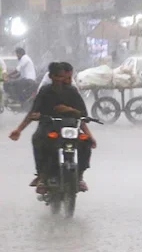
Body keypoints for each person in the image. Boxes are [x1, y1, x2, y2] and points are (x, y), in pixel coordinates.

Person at [8, 62, 95, 193]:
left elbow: (82, 116)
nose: (65, 80)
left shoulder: (72, 91)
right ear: (52, 76)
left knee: (85, 142)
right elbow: (33, 112)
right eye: (61, 77)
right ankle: (42, 176)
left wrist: (89, 134)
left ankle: (80, 177)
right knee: (38, 139)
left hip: (69, 127)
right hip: (49, 126)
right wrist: (19, 130)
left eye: (66, 77)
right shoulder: (45, 91)